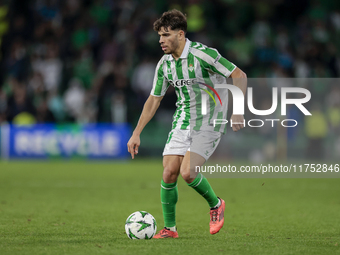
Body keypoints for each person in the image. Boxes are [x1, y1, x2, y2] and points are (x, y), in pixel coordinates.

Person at [127, 9, 247, 238]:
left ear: (180, 34)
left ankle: (216, 204)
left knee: (188, 172)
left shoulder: (204, 55)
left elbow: (239, 75)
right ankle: (170, 229)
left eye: (166, 34)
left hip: (210, 120)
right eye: (159, 36)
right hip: (183, 120)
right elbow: (154, 99)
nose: (161, 40)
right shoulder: (164, 65)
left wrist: (238, 110)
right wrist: (136, 133)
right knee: (169, 172)